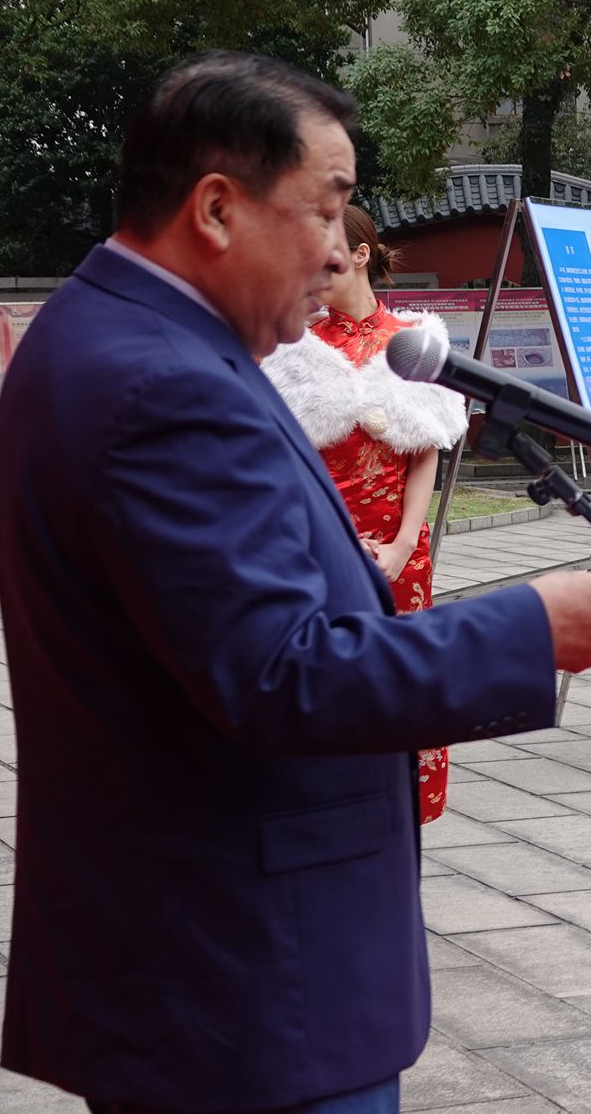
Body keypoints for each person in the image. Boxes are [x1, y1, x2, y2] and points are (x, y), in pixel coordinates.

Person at [0, 52, 591, 1112]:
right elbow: (279, 671)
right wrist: (529, 626)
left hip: (209, 961)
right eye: (326, 209)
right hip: (241, 984)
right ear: (216, 208)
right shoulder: (161, 382)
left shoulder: (128, 337)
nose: (341, 250)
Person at [263, 205, 469, 824]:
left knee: (406, 677)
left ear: (359, 254)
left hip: (399, 547)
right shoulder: (292, 349)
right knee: (323, 677)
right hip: (317, 545)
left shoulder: (415, 341)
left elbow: (426, 449)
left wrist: (404, 543)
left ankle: (402, 819)